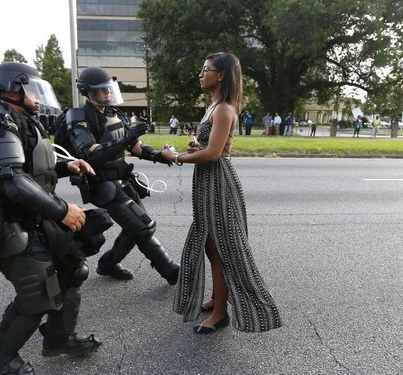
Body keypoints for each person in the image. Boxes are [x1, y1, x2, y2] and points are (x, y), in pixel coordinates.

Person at [0, 62, 103, 375]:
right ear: (11, 90)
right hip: (2, 221)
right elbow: (10, 179)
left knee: (71, 268)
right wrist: (63, 210)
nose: (38, 96)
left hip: (28, 215)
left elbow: (30, 166)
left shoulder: (15, 118)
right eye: (32, 89)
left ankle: (57, 337)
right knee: (37, 292)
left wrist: (67, 166)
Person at [161, 52, 282, 334]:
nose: (201, 74)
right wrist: (195, 148)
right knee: (210, 244)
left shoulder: (225, 108)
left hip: (219, 182)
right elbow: (208, 147)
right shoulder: (213, 107)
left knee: (222, 248)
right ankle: (218, 298)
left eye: (206, 69)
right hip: (208, 182)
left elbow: (214, 154)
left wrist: (176, 156)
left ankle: (220, 313)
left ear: (222, 75)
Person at [65, 66, 180, 284]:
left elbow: (135, 146)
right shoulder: (78, 116)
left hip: (122, 179)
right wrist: (125, 141)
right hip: (102, 184)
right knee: (143, 227)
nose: (107, 94)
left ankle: (107, 264)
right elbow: (88, 153)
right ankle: (171, 271)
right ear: (87, 92)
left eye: (108, 89)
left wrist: (160, 156)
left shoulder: (113, 113)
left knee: (134, 228)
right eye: (101, 91)